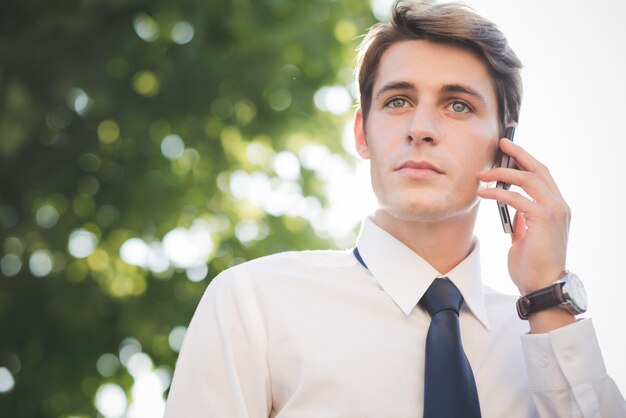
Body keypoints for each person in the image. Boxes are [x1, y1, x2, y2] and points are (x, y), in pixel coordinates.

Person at [164, 1, 626, 416]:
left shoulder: (541, 339)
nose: (421, 128)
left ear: (503, 151)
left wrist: (547, 294)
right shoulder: (254, 303)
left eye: (458, 105)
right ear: (363, 133)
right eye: (398, 101)